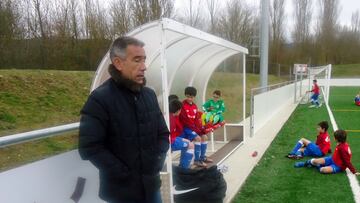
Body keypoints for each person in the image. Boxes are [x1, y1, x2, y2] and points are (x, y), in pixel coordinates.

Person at [78, 36, 169, 203]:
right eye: (137, 60)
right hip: (120, 194)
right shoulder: (99, 99)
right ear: (118, 63)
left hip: (151, 188)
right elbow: (89, 147)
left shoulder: (149, 95)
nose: (144, 67)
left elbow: (163, 134)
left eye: (144, 60)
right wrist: (123, 173)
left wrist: (156, 162)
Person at [294, 129, 360, 176]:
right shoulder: (341, 144)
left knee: (323, 170)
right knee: (315, 161)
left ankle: (318, 166)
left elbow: (347, 161)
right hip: (331, 159)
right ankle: (304, 164)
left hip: (338, 166)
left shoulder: (343, 148)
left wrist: (354, 171)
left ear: (336, 139)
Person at [179, 86, 213, 167]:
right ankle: (197, 161)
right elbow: (185, 121)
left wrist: (200, 129)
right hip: (186, 129)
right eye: (187, 96)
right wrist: (195, 129)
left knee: (204, 136)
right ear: (185, 95)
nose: (189, 99)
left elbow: (196, 119)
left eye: (191, 97)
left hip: (193, 128)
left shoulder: (194, 106)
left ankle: (202, 157)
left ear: (194, 97)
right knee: (198, 138)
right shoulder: (182, 105)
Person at [169, 99, 194, 169]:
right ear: (178, 110)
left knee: (188, 141)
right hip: (170, 141)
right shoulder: (171, 119)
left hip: (172, 139)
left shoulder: (171, 116)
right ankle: (184, 169)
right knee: (191, 145)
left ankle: (182, 166)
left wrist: (183, 139)